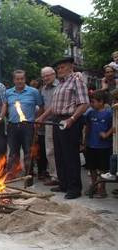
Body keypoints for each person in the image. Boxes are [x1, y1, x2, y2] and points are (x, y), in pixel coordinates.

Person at [37, 57, 89, 199]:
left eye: (62, 67)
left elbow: (84, 103)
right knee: (59, 154)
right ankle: (64, 183)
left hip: (70, 121)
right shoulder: (60, 84)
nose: (59, 70)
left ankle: (74, 188)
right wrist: (42, 117)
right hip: (57, 121)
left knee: (70, 155)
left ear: (70, 67)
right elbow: (54, 106)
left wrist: (72, 119)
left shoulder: (77, 81)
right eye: (58, 68)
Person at [6, 70, 44, 180]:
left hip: (28, 126)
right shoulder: (8, 92)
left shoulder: (34, 92)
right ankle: (13, 173)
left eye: (21, 79)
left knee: (28, 151)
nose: (19, 81)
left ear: (25, 79)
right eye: (17, 79)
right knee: (13, 151)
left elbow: (41, 106)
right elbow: (5, 106)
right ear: (14, 80)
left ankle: (28, 174)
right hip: (12, 126)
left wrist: (37, 120)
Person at [84, 90, 112, 198]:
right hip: (91, 145)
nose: (92, 104)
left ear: (101, 102)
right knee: (92, 167)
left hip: (104, 146)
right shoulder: (90, 113)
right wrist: (85, 141)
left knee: (103, 168)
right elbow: (87, 127)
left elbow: (114, 126)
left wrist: (106, 134)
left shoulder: (109, 113)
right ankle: (94, 186)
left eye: (93, 101)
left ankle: (102, 188)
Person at [39, 67, 59, 186]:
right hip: (48, 123)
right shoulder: (43, 89)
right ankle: (55, 176)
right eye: (44, 76)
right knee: (50, 151)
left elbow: (53, 106)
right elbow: (43, 107)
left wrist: (41, 118)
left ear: (54, 74)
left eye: (48, 75)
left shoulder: (60, 86)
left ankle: (63, 175)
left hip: (60, 122)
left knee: (60, 151)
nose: (46, 78)